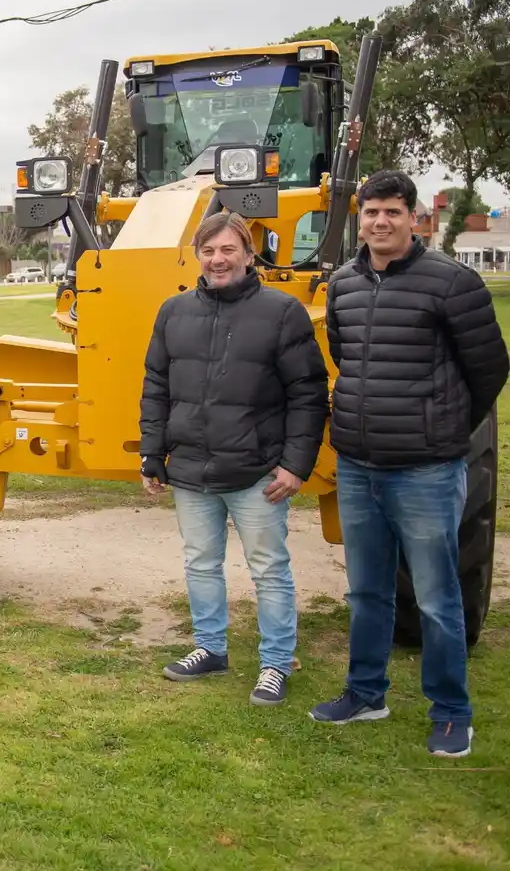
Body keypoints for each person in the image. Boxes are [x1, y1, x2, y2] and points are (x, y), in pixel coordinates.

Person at [310, 170, 510, 759]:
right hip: (359, 466)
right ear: (359, 218)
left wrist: (442, 427)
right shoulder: (343, 285)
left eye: (392, 212)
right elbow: (345, 355)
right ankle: (366, 691)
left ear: (412, 217)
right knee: (367, 591)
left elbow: (489, 370)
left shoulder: (452, 283)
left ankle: (451, 711)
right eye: (370, 212)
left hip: (426, 469)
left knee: (436, 598)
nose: (379, 222)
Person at [140, 211, 328, 706]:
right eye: (209, 250)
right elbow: (156, 387)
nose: (217, 260)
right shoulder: (173, 312)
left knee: (268, 568)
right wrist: (152, 453)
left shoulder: (282, 312)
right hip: (191, 469)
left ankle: (276, 663)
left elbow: (308, 392)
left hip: (256, 472)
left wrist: (295, 464)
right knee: (201, 563)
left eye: (228, 250)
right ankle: (210, 648)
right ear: (197, 255)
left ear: (248, 254)